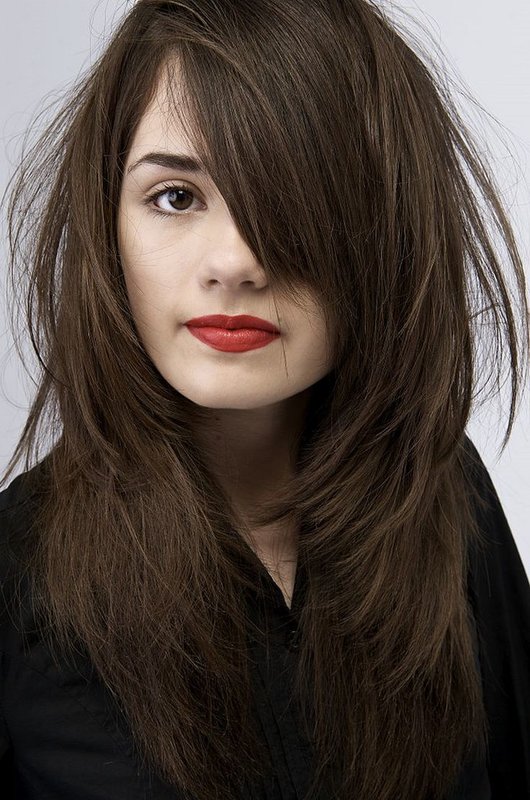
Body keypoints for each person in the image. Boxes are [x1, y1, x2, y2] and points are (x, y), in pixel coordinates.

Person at [0, 1, 528, 798]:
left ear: (382, 229)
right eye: (176, 196)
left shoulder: (445, 499)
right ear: (108, 223)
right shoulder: (14, 576)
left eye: (292, 194)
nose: (236, 262)